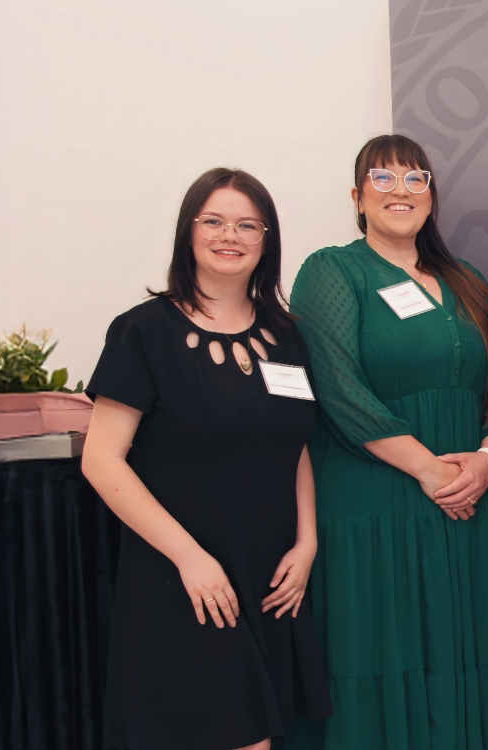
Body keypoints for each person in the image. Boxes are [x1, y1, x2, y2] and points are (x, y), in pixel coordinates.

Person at [83, 168, 331, 750]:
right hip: (182, 574)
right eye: (214, 221)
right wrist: (190, 558)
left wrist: (308, 541)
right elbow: (101, 461)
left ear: (266, 240)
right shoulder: (143, 331)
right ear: (187, 232)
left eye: (249, 224)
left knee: (259, 732)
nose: (231, 235)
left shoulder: (285, 335)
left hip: (270, 574)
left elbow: (292, 445)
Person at [286, 134, 488, 750]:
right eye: (383, 179)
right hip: (373, 502)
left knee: (459, 649)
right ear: (357, 196)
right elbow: (335, 386)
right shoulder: (332, 270)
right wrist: (428, 469)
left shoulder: (465, 278)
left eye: (415, 178)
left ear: (432, 196)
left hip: (464, 502)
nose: (401, 191)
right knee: (380, 652)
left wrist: (487, 459)